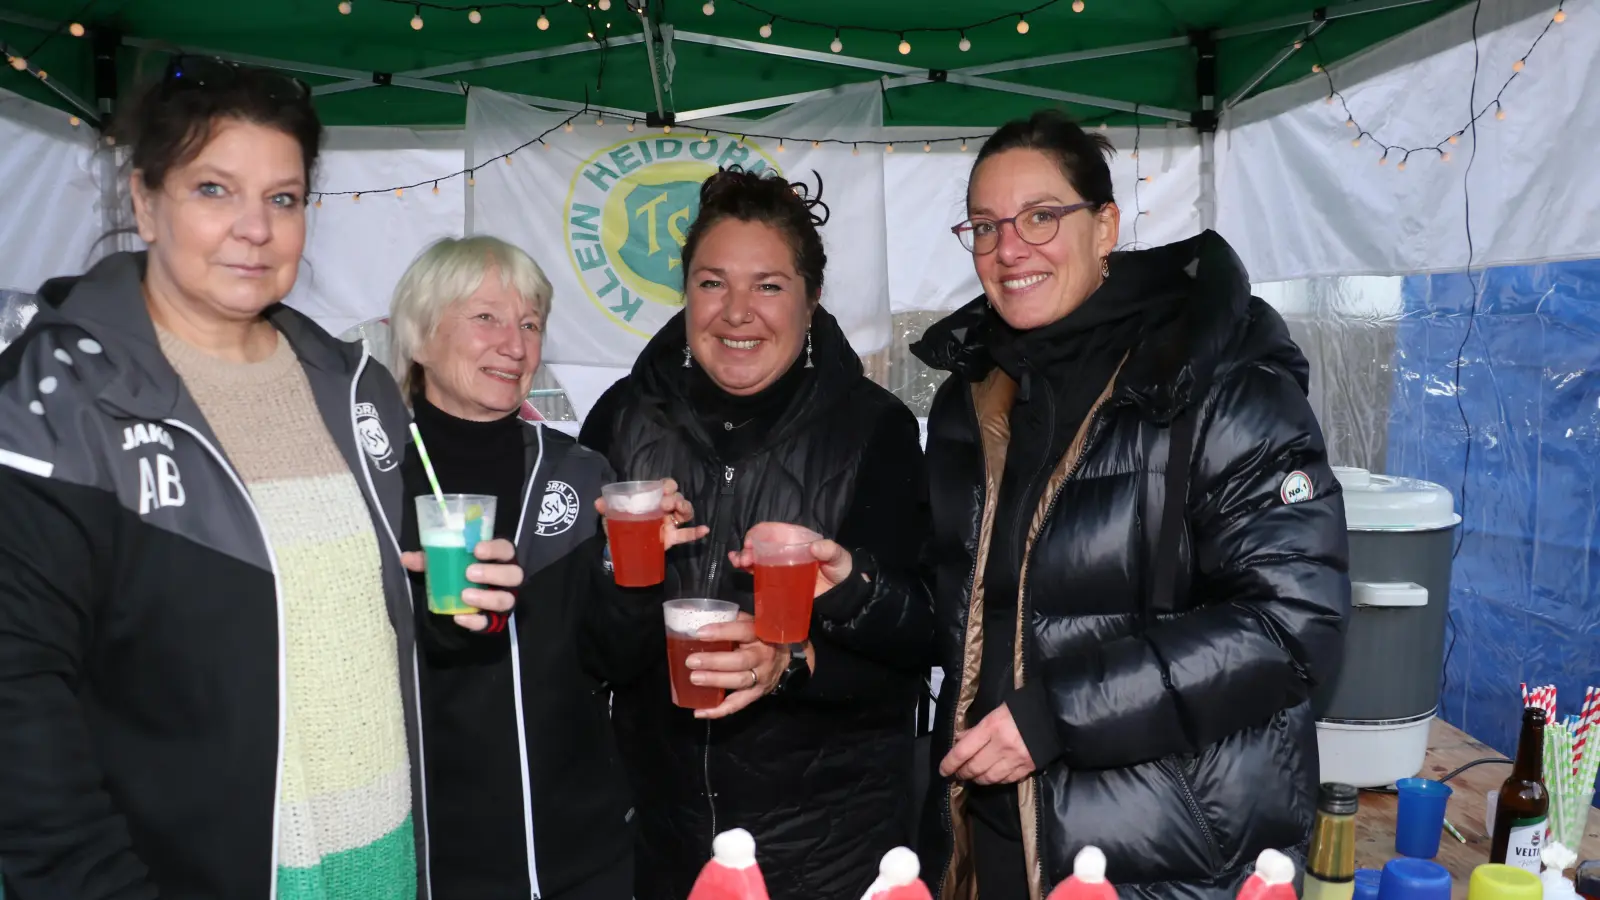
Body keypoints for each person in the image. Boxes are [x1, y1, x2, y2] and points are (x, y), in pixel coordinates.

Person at [0, 58, 521, 899]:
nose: (256, 228)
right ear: (143, 201)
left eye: (282, 198)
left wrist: (441, 614)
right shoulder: (56, 400)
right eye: (214, 190)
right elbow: (18, 700)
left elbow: (314, 632)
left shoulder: (357, 389)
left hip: (378, 864)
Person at [910, 109, 1350, 900]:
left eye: (1042, 216)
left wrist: (1054, 718)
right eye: (985, 226)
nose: (1010, 249)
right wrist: (849, 588)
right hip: (990, 840)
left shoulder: (1218, 380)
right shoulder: (971, 400)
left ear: (1105, 226)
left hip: (1161, 854)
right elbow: (962, 613)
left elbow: (1294, 624)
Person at [579, 168, 933, 900]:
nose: (737, 313)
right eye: (713, 283)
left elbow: (923, 638)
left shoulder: (873, 429)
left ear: (812, 297)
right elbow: (597, 656)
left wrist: (798, 654)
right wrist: (624, 574)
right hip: (664, 846)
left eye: (768, 285)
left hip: (829, 850)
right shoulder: (623, 420)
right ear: (685, 293)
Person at [388, 235, 706, 900]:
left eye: (531, 323)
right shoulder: (371, 476)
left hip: (580, 850)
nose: (515, 344)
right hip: (425, 859)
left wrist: (633, 567)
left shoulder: (576, 470)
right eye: (487, 318)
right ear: (418, 336)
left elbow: (613, 658)